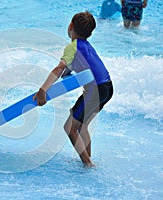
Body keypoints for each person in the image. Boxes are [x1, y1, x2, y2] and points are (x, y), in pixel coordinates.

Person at [33, 11, 113, 167]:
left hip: (94, 91)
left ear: (70, 26)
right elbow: (75, 66)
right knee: (82, 125)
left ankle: (88, 164)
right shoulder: (87, 46)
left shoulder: (72, 47)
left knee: (70, 128)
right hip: (107, 88)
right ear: (90, 33)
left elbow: (59, 68)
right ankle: (87, 158)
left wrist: (43, 89)